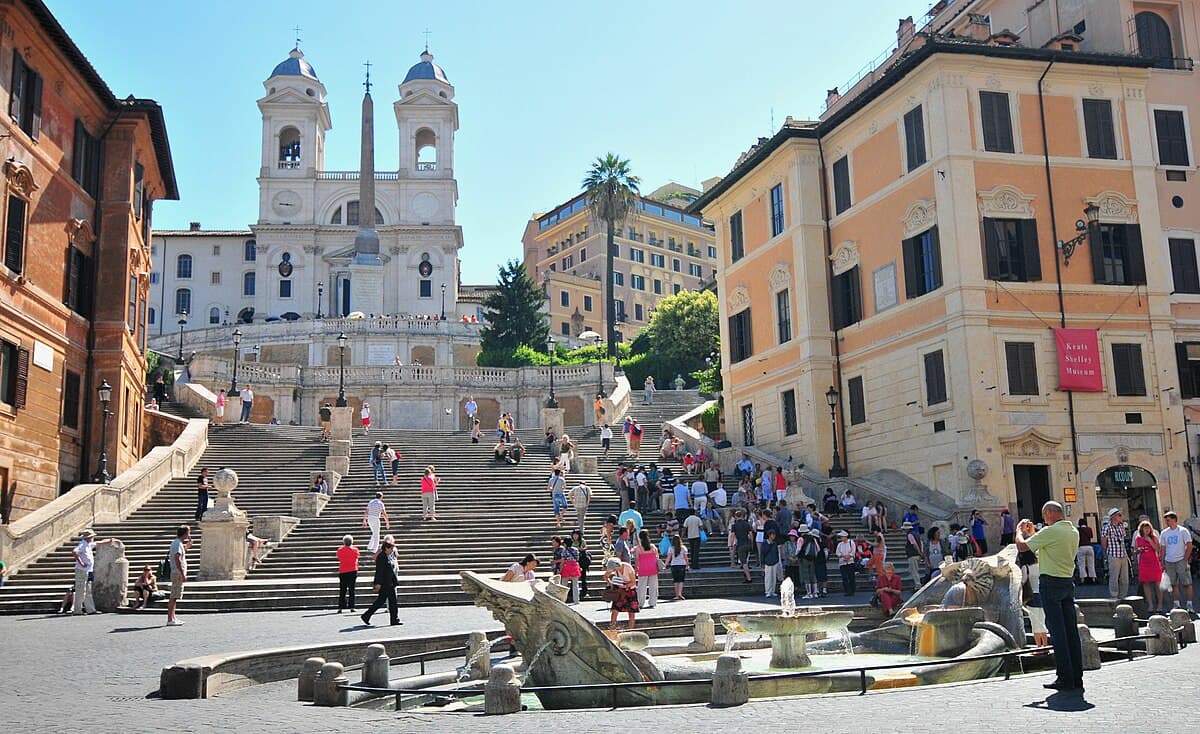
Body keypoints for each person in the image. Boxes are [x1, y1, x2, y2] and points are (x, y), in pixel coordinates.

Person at [1016, 502, 1083, 693]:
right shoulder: (1072, 531)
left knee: (1057, 632)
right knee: (1071, 631)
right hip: (1067, 583)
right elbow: (1043, 546)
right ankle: (1076, 677)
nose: (1043, 519)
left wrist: (1019, 531)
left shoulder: (1051, 531)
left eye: (1044, 516)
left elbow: (1022, 547)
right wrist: (1034, 533)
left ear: (1049, 513)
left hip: (1050, 583)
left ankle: (1064, 677)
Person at [361, 538, 401, 626]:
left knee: (380, 601)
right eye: (391, 549)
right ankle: (394, 619)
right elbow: (379, 571)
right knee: (392, 601)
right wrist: (377, 583)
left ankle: (366, 615)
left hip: (388, 582)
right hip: (386, 583)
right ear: (386, 548)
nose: (392, 551)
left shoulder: (384, 556)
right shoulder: (382, 557)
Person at [1159, 511, 1194, 612]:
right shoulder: (1164, 533)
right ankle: (1176, 605)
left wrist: (1185, 559)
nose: (1166, 522)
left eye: (1168, 520)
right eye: (1166, 520)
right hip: (1169, 561)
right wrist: (1162, 562)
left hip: (1181, 560)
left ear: (1174, 520)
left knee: (1187, 583)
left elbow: (1189, 546)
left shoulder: (1183, 531)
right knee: (1173, 584)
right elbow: (1163, 548)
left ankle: (1189, 605)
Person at [71, 529, 112, 615]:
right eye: (92, 537)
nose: (93, 538)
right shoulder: (82, 544)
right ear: (88, 537)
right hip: (82, 570)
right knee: (81, 590)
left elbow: (97, 543)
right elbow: (74, 552)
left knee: (88, 590)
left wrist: (109, 541)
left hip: (88, 570)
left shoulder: (88, 544)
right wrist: (81, 563)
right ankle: (77, 610)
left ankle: (90, 609)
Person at [1134, 520, 1165, 613]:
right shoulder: (1138, 539)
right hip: (1144, 562)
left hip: (1154, 562)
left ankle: (1160, 604)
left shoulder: (1154, 537)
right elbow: (1135, 551)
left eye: (1148, 528)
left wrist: (1150, 540)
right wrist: (1139, 550)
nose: (1146, 530)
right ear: (1141, 529)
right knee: (1146, 583)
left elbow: (1157, 549)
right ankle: (1150, 604)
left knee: (1157, 583)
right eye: (1145, 528)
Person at [1100, 507, 1130, 599]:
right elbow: (1104, 542)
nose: (1121, 517)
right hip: (1113, 554)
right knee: (1114, 577)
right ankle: (1114, 596)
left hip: (1123, 554)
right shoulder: (1107, 527)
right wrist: (1106, 554)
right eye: (1119, 515)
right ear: (1113, 517)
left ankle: (1123, 596)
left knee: (1124, 578)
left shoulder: (1121, 526)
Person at [166, 525, 192, 626]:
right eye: (188, 533)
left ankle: (173, 617)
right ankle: (170, 619)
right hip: (177, 572)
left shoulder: (177, 543)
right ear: (185, 534)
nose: (189, 535)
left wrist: (186, 547)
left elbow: (179, 554)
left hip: (177, 572)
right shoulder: (177, 543)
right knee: (174, 596)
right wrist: (182, 573)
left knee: (175, 596)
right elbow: (177, 559)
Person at [604, 556, 639, 630]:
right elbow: (606, 576)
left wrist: (625, 586)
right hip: (620, 591)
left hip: (630, 590)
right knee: (614, 610)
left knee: (631, 612)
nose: (613, 570)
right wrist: (611, 583)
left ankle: (631, 630)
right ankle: (612, 628)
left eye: (613, 569)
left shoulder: (628, 567)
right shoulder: (614, 568)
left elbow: (633, 582)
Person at [635, 530, 660, 609]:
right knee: (653, 586)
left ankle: (640, 603)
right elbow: (657, 557)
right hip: (653, 568)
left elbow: (636, 559)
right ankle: (652, 602)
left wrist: (636, 568)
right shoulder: (652, 546)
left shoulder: (638, 548)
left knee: (641, 586)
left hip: (643, 568)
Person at [336, 534, 360, 613]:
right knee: (351, 589)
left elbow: (338, 558)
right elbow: (357, 557)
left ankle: (340, 607)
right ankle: (352, 606)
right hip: (353, 570)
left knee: (342, 589)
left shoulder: (340, 550)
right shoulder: (355, 550)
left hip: (343, 571)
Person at [664, 534, 689, 601]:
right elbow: (686, 558)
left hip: (674, 565)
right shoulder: (683, 548)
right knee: (681, 580)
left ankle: (676, 594)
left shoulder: (671, 548)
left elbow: (668, 557)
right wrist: (687, 565)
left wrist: (665, 565)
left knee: (675, 580)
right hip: (682, 565)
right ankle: (680, 593)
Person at [560, 536, 583, 604]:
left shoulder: (564, 550)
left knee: (564, 584)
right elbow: (577, 559)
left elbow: (563, 560)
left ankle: (563, 600)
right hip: (574, 566)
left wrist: (560, 569)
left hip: (567, 566)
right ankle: (576, 600)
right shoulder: (575, 549)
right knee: (575, 584)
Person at [903, 521, 925, 588]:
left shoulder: (910, 535)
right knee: (914, 569)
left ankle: (918, 585)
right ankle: (917, 583)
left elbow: (914, 544)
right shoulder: (916, 534)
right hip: (916, 555)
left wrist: (919, 552)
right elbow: (920, 543)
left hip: (913, 555)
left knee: (914, 571)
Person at [835, 530, 857, 597]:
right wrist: (842, 556)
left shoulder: (851, 542)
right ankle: (847, 590)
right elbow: (837, 552)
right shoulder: (840, 544)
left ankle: (852, 590)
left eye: (842, 536)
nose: (841, 538)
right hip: (842, 562)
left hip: (850, 562)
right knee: (844, 577)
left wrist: (849, 556)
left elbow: (853, 551)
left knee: (851, 577)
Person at [1075, 519, 1096, 584]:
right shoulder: (1089, 529)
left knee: (1082, 565)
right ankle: (1093, 578)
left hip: (1081, 547)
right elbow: (1091, 537)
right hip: (1089, 547)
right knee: (1091, 564)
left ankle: (1082, 579)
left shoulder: (1078, 530)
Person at [762, 529, 782, 597]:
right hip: (767, 562)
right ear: (769, 535)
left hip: (774, 561)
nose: (774, 536)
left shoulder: (775, 543)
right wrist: (762, 561)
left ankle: (772, 591)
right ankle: (767, 591)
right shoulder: (765, 543)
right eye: (773, 535)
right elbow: (762, 553)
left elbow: (776, 553)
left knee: (773, 577)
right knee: (768, 577)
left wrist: (776, 560)